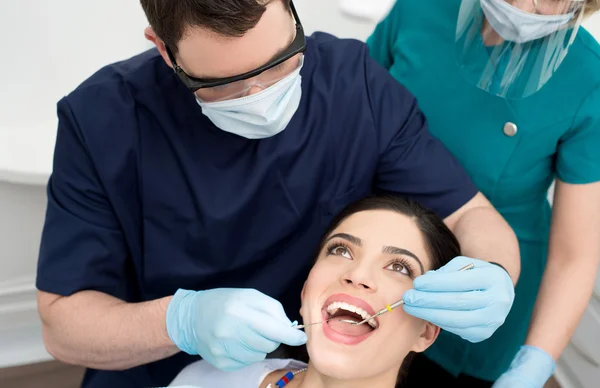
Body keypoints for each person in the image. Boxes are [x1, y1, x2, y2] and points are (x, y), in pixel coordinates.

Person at [35, 1, 519, 387]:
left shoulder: (355, 86)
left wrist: (493, 274)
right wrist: (180, 321)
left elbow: (470, 215)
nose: (263, 95)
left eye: (280, 61)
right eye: (226, 85)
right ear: (165, 51)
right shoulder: (102, 120)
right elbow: (64, 326)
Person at [367, 0, 600, 387]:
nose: (526, 6)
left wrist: (536, 362)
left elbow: (575, 255)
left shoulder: (588, 78)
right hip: (379, 246)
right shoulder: (419, 10)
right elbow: (351, 112)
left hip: (486, 284)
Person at [165, 195, 464, 388]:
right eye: (341, 250)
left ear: (425, 332)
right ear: (307, 290)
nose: (357, 275)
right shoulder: (205, 379)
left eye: (399, 267)